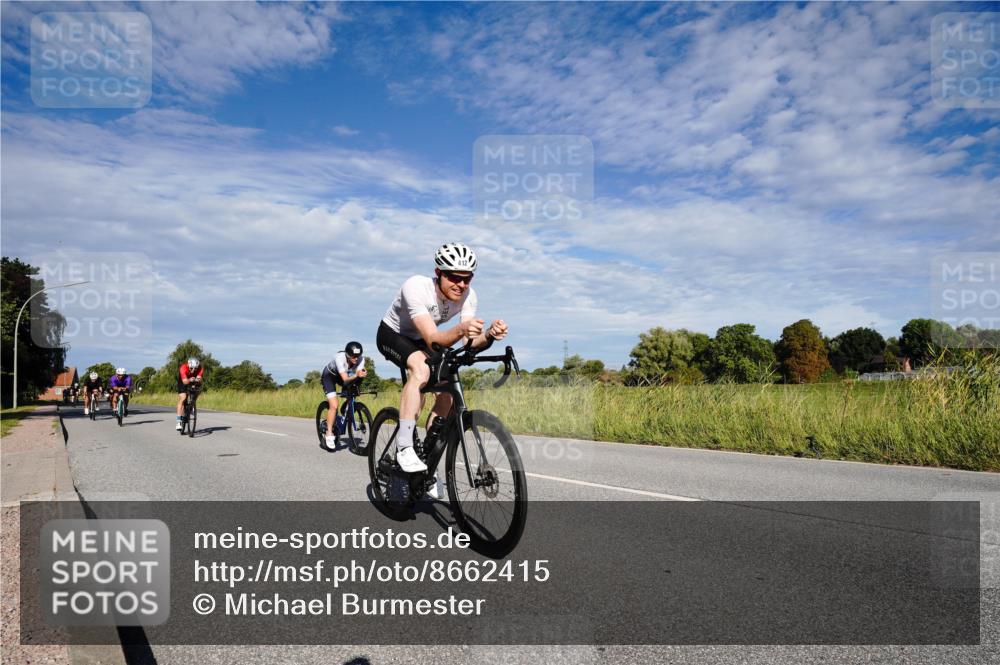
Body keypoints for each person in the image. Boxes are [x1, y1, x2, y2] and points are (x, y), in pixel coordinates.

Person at [376, 243, 508, 492]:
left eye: (467, 278)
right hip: (393, 335)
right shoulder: (416, 287)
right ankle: (404, 446)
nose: (461, 284)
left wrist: (489, 335)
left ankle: (427, 458)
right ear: (438, 273)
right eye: (455, 278)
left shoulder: (469, 296)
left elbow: (468, 343)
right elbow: (434, 339)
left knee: (447, 392)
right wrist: (460, 329)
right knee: (421, 369)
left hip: (424, 340)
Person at [319, 341, 368, 448]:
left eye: (358, 356)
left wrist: (360, 376)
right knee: (334, 405)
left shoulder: (361, 359)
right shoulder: (339, 358)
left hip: (342, 376)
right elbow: (345, 379)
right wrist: (357, 375)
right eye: (353, 356)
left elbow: (358, 376)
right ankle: (329, 433)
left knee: (354, 388)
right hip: (329, 377)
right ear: (347, 354)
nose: (356, 358)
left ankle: (345, 407)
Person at [176, 357, 204, 430]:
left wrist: (197, 380)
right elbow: (185, 382)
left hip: (193, 379)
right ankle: (178, 421)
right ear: (188, 365)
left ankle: (191, 407)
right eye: (191, 368)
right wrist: (190, 380)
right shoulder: (183, 368)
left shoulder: (200, 368)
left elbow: (199, 378)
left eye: (195, 368)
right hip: (183, 381)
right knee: (183, 397)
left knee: (197, 390)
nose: (193, 370)